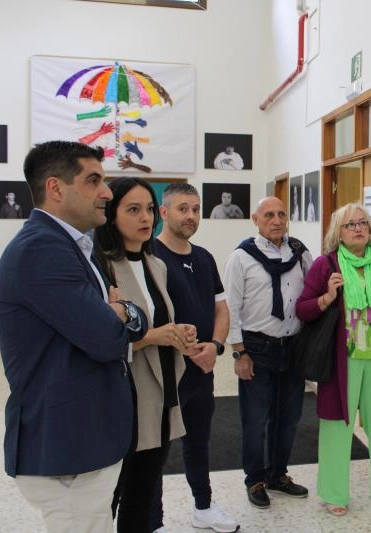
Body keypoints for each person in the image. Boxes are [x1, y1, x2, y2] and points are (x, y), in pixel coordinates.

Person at [0, 141, 148, 532]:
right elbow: (107, 340)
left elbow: (132, 320)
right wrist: (117, 315)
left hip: (85, 437)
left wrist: (121, 311)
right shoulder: (42, 249)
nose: (107, 193)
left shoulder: (74, 245)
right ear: (56, 188)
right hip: (69, 445)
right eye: (93, 180)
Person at [296, 203, 371, 517]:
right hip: (342, 361)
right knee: (337, 426)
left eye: (363, 223)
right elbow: (303, 309)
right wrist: (327, 297)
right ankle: (335, 493)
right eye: (350, 225)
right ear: (338, 232)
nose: (358, 229)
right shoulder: (327, 265)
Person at [94, 177, 196, 533]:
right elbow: (99, 339)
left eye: (149, 209)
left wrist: (179, 332)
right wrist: (153, 336)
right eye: (133, 209)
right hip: (126, 396)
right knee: (109, 497)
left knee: (143, 494)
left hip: (161, 392)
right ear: (111, 214)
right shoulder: (102, 267)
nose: (145, 217)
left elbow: (158, 320)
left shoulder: (156, 264)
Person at [151, 183, 238, 533]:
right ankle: (152, 521)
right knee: (153, 451)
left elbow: (221, 308)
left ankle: (203, 507)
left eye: (196, 209)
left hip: (202, 369)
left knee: (198, 441)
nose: (190, 216)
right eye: (182, 208)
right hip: (161, 373)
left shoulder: (203, 257)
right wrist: (185, 348)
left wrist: (215, 347)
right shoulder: (149, 258)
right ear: (164, 212)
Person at [223, 196, 312, 509]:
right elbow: (231, 307)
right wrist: (238, 353)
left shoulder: (299, 252)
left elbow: (312, 292)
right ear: (255, 219)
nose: (276, 220)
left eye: (281, 214)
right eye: (269, 215)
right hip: (257, 348)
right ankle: (255, 479)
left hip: (293, 347)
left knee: (288, 419)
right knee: (255, 420)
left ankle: (277, 475)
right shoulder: (241, 257)